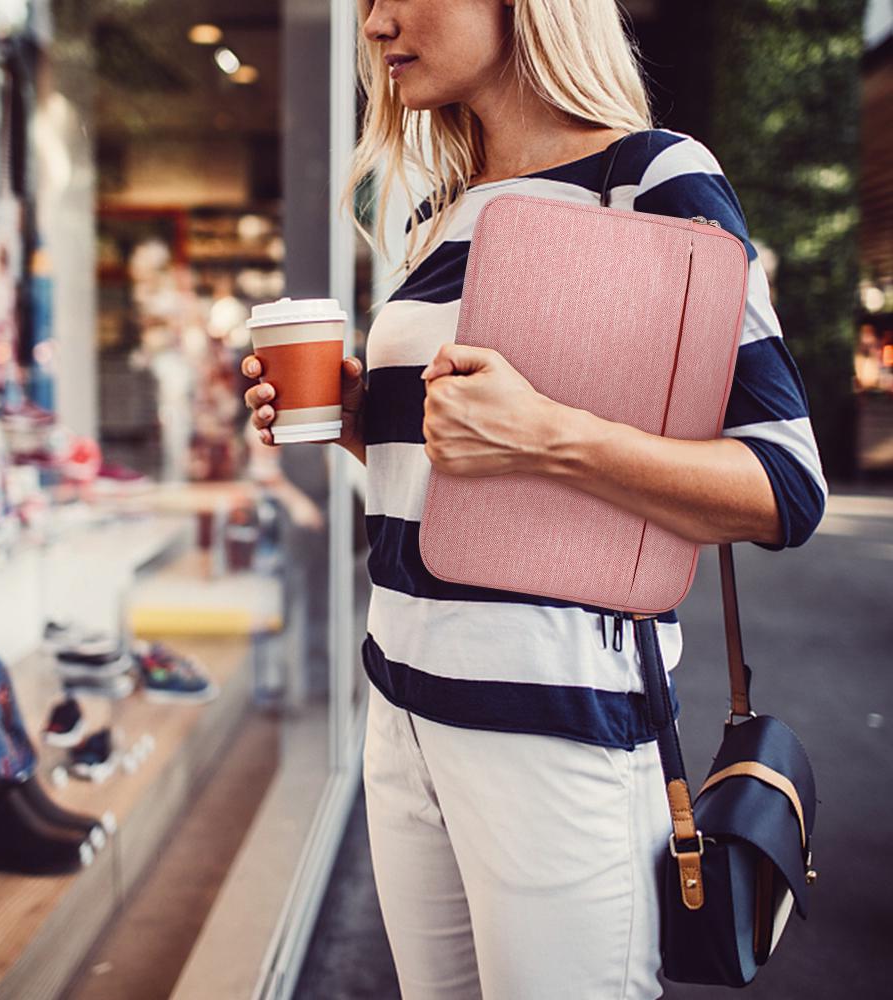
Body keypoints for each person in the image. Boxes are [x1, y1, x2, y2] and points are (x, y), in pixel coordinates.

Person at [243, 2, 828, 996]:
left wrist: (550, 434)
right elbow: (460, 482)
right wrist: (355, 422)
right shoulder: (434, 215)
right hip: (401, 712)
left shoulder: (647, 177)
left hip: (553, 721)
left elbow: (785, 483)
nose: (374, 24)